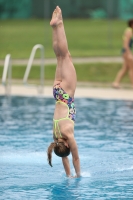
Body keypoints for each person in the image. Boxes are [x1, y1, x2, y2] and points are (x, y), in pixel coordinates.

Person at [47, 6, 80, 178]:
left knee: (65, 55)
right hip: (57, 92)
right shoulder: (56, 136)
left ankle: (59, 23)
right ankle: (56, 26)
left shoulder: (68, 135)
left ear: (66, 145)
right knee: (60, 57)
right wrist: (68, 175)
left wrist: (78, 175)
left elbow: (74, 157)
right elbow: (63, 156)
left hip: (67, 94)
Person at [112, 19, 133, 89]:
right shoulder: (129, 31)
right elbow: (126, 43)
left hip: (126, 51)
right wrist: (129, 53)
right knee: (131, 68)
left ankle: (116, 83)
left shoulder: (130, 31)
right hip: (126, 52)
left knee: (125, 68)